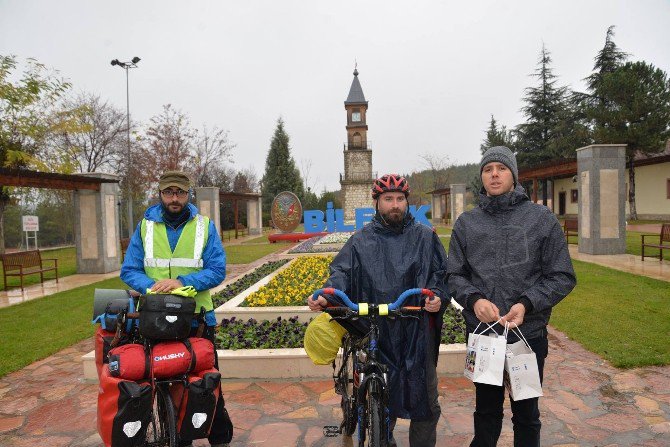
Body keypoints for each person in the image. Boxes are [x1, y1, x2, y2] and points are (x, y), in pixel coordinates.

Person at [447, 146, 576, 447]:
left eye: (501, 168)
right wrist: (474, 299)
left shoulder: (540, 219)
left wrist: (526, 303)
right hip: (484, 337)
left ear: (513, 175)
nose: (494, 174)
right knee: (486, 413)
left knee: (527, 415)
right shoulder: (467, 224)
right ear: (481, 177)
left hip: (527, 336)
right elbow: (453, 274)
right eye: (488, 169)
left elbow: (563, 275)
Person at [308, 174, 448, 447]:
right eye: (388, 199)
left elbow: (440, 276)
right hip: (377, 331)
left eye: (399, 199)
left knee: (426, 401)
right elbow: (341, 273)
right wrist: (328, 296)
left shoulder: (425, 238)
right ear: (377, 202)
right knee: (382, 397)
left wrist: (437, 298)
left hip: (415, 331)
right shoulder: (360, 241)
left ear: (407, 202)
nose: (395, 204)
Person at [120, 170, 231, 447]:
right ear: (160, 194)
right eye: (168, 192)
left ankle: (219, 435)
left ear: (188, 194)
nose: (174, 198)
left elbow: (217, 270)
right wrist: (152, 287)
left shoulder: (204, 226)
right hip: (155, 318)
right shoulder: (145, 226)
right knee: (159, 378)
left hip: (197, 317)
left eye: (180, 192)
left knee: (206, 381)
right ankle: (168, 432)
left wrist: (181, 282)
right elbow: (129, 269)